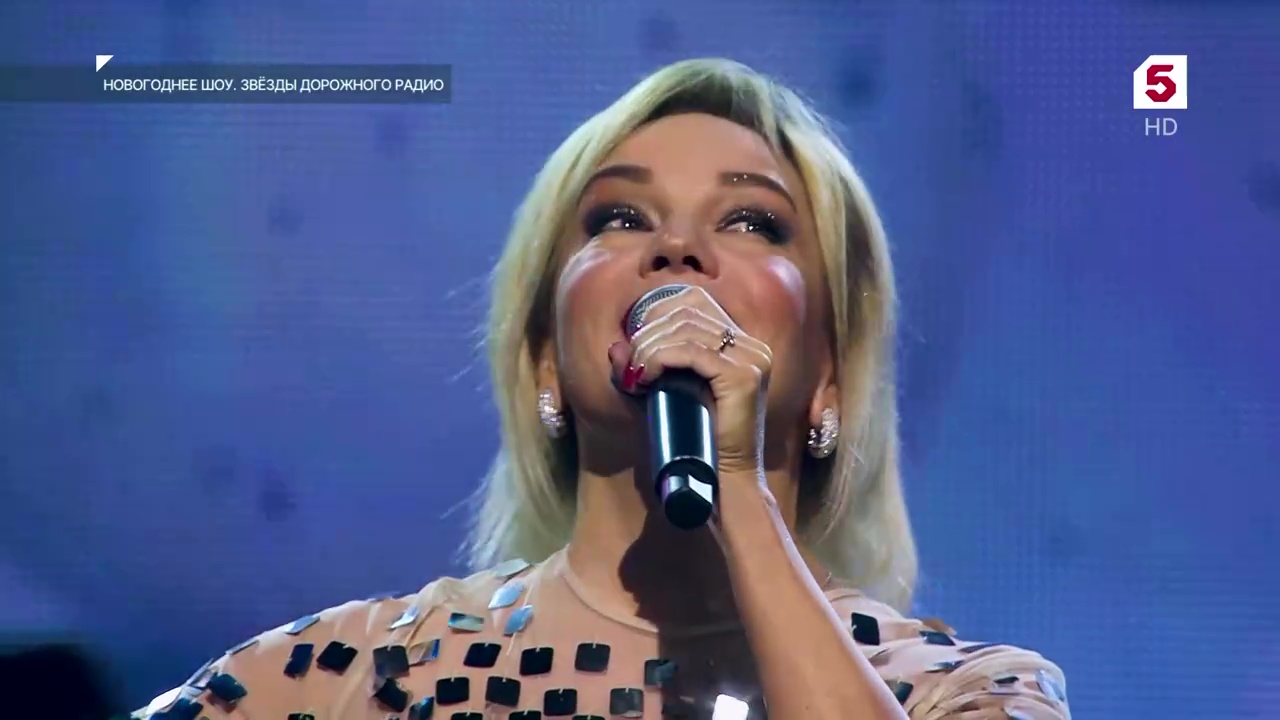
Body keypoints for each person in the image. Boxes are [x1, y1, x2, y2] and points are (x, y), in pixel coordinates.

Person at [136, 58, 1070, 720]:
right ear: (545, 358)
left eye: (753, 222)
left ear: (831, 374)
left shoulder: (960, 691)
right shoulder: (359, 675)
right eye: (620, 216)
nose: (677, 248)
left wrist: (736, 489)